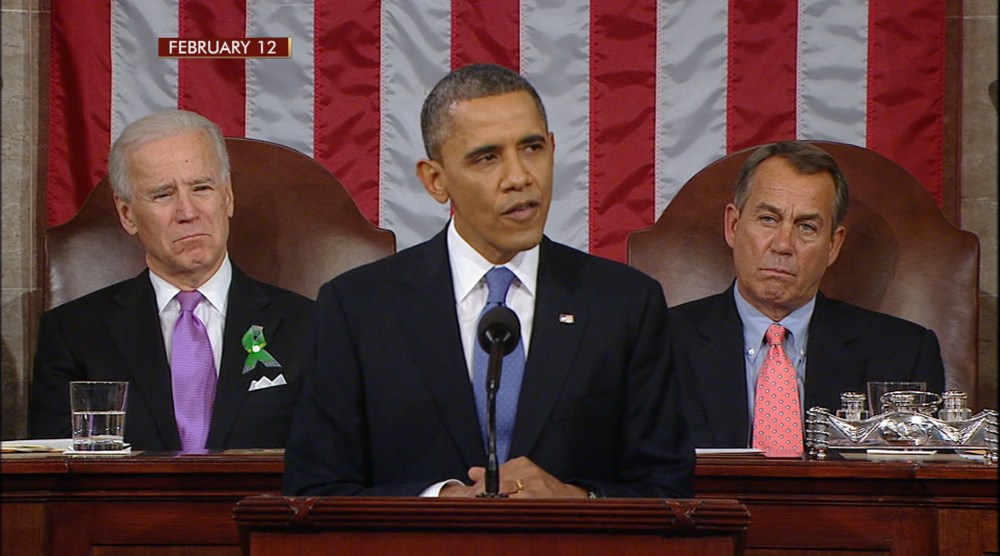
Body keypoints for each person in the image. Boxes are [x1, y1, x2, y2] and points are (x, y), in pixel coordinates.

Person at [283, 63, 694, 498]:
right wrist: (438, 502)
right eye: (487, 158)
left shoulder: (625, 304)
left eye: (532, 148)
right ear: (435, 180)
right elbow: (314, 490)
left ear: (553, 149)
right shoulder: (358, 308)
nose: (519, 177)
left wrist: (577, 500)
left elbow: (668, 488)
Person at [29, 110, 314, 451]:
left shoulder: (311, 327)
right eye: (163, 194)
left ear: (227, 197)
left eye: (202, 188)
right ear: (127, 214)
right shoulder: (72, 335)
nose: (188, 212)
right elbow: (53, 469)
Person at [669, 141, 945, 451]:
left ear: (833, 245)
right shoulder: (661, 342)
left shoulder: (904, 353)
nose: (783, 245)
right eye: (768, 219)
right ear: (733, 226)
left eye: (806, 227)